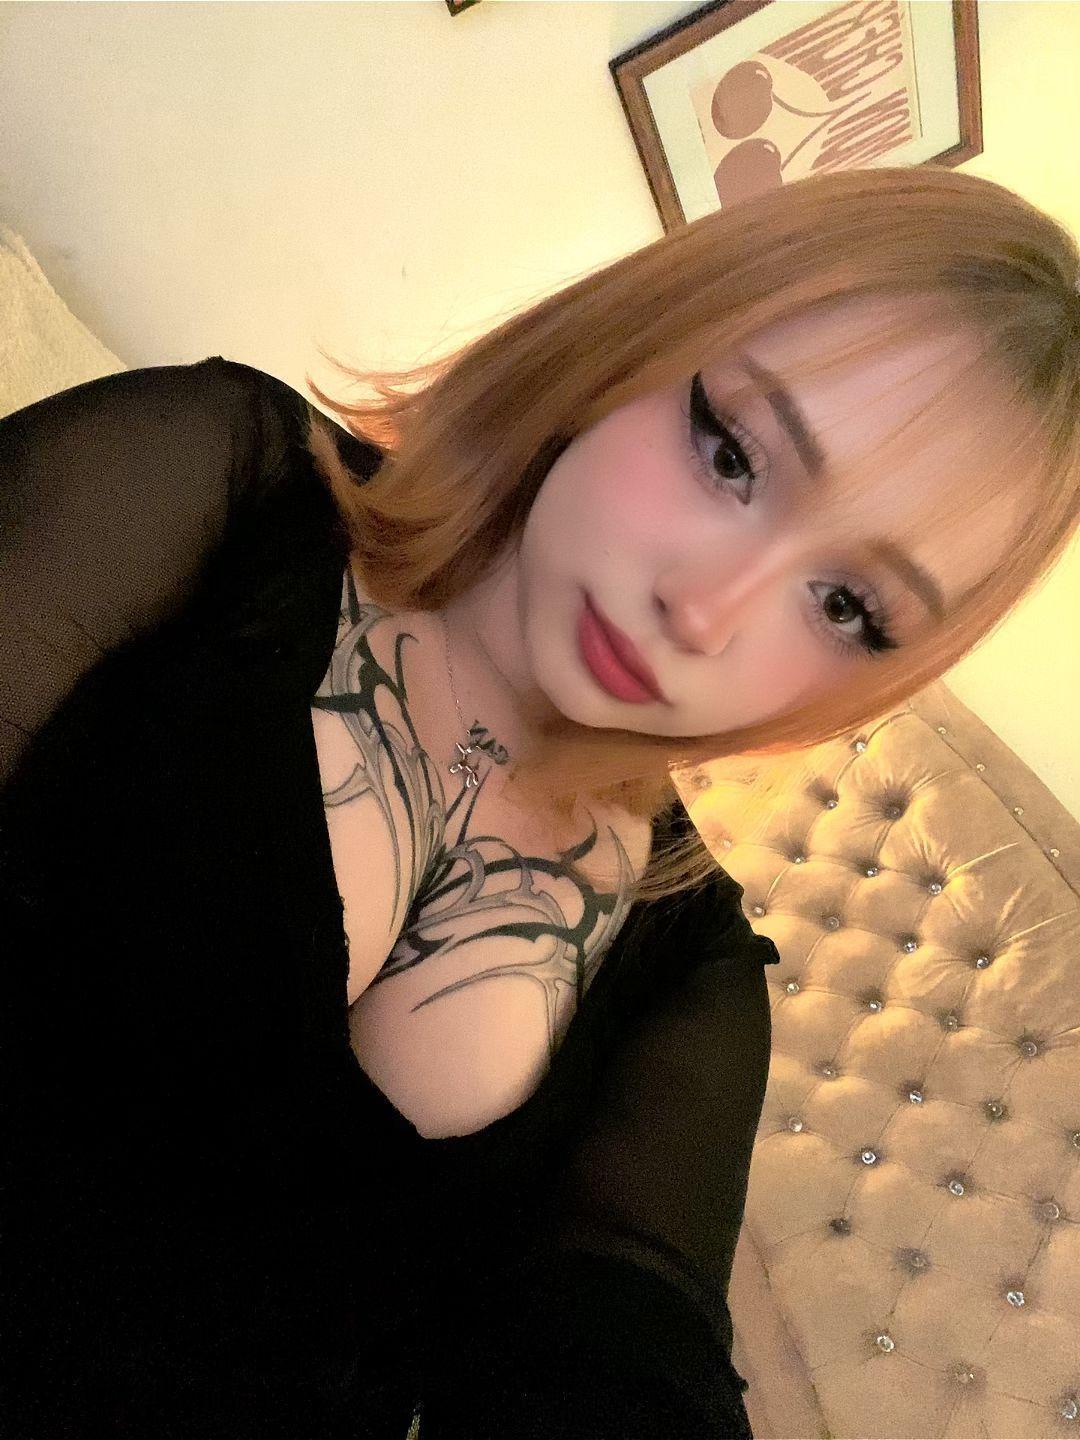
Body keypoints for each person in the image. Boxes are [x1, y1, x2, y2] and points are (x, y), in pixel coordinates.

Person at [1, 164, 1078, 1440]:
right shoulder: (205, 480)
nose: (705, 610)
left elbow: (627, 1355)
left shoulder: (691, 972)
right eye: (731, 453)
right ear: (634, 340)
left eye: (847, 606)